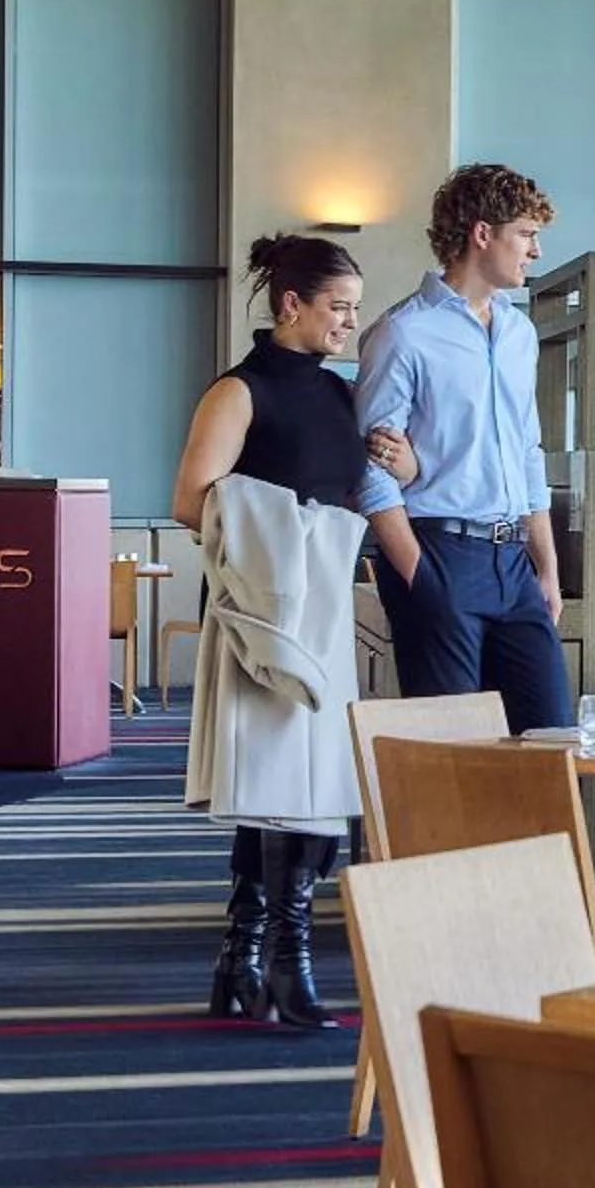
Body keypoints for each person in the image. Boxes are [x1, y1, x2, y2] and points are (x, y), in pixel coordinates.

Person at [172, 235, 415, 1028]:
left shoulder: (343, 397)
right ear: (292, 306)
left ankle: (245, 961)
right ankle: (283, 962)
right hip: (265, 616)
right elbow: (191, 501)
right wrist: (297, 532)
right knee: (276, 793)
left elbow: (371, 487)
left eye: (353, 308)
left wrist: (401, 462)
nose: (350, 322)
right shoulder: (237, 393)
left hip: (324, 610)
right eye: (338, 307)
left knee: (315, 795)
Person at [353, 162, 575, 734]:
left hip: (514, 563)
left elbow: (530, 451)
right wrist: (421, 575)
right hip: (440, 553)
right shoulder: (403, 333)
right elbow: (370, 469)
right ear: (482, 234)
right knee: (455, 755)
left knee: (552, 740)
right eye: (525, 234)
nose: (535, 251)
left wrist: (547, 569)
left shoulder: (519, 333)